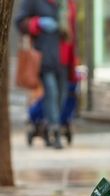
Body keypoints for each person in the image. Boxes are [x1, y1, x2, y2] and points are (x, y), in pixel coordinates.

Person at [17, 0, 78, 149]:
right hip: (44, 58)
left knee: (62, 96)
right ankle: (55, 132)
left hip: (64, 59)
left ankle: (48, 125)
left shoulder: (67, 2)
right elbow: (20, 22)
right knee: (51, 92)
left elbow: (72, 30)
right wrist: (38, 23)